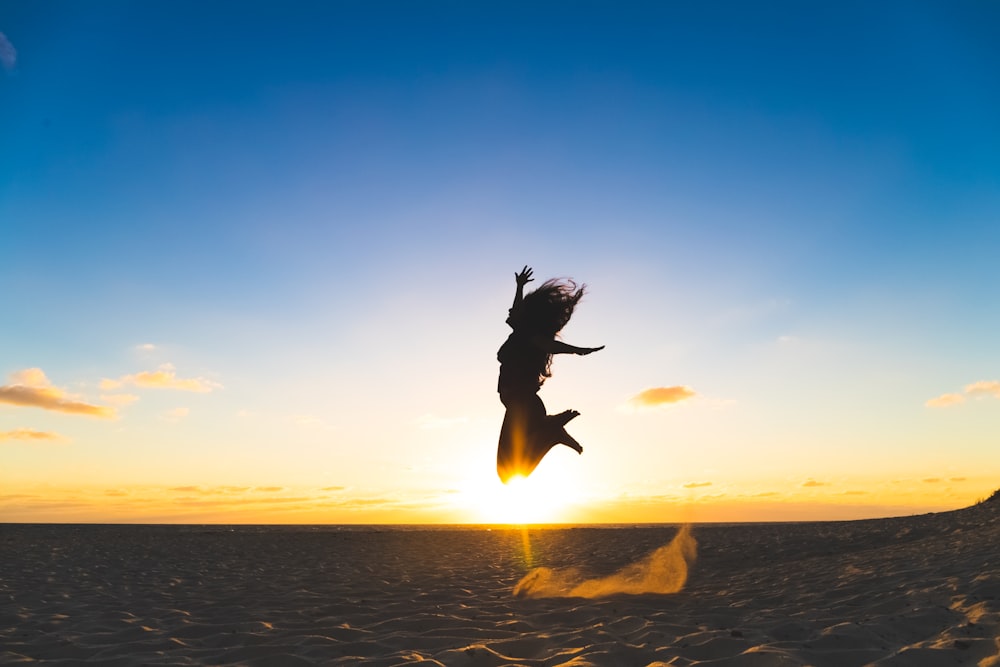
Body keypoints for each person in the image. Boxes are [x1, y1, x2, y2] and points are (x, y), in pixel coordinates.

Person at [496, 266, 604, 483]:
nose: (509, 312)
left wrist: (577, 350)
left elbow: (549, 345)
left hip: (523, 404)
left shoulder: (528, 336)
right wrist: (519, 287)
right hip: (522, 404)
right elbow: (516, 312)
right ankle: (552, 431)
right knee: (510, 472)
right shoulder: (520, 331)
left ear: (525, 317)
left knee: (507, 473)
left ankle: (552, 432)